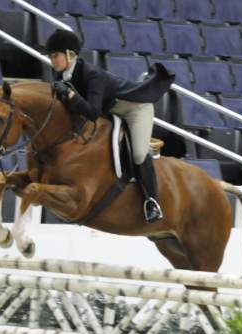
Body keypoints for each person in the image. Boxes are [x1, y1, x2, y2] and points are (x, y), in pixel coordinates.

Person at [45, 29, 175, 223]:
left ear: (71, 54)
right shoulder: (60, 75)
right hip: (111, 113)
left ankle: (152, 202)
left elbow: (92, 112)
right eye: (50, 56)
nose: (52, 60)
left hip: (134, 109)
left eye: (55, 55)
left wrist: (71, 95)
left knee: (139, 153)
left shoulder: (92, 74)